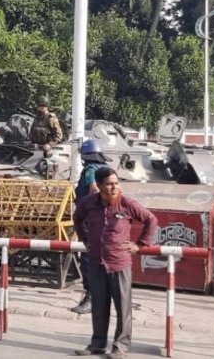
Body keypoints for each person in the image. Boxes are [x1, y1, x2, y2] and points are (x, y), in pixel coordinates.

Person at [72, 168, 157, 358]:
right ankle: (98, 344)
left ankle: (120, 347)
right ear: (99, 186)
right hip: (96, 262)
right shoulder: (89, 203)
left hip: (119, 263)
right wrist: (84, 238)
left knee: (123, 307)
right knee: (99, 306)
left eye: (116, 183)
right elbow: (77, 219)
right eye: (109, 184)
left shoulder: (127, 204)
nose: (114, 187)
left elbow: (151, 220)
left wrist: (140, 244)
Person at [70, 139, 112, 315]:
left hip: (90, 221)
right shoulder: (106, 170)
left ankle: (91, 296)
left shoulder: (90, 170)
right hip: (106, 220)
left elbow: (94, 190)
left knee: (88, 258)